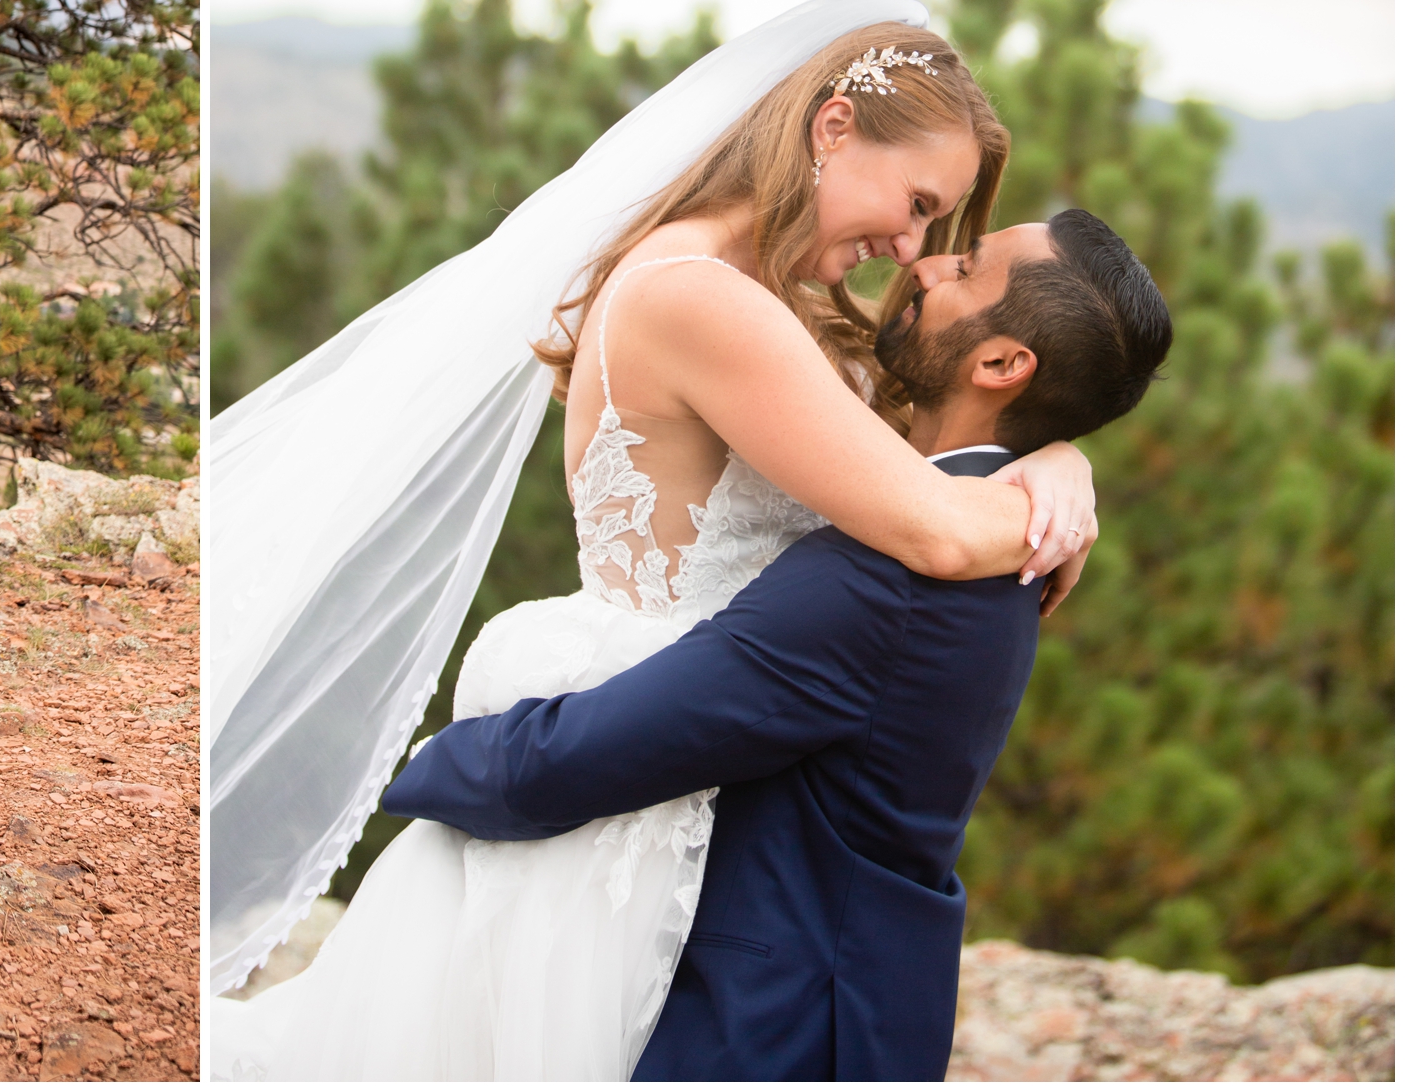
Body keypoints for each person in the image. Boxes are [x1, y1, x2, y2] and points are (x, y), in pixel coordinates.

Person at [207, 0, 1100, 1079]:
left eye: (937, 225)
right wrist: (1048, 476)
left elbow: (919, 466)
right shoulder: (697, 297)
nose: (910, 250)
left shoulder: (772, 296)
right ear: (831, 130)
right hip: (622, 784)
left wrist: (1052, 453)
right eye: (917, 203)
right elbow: (930, 526)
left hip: (699, 762)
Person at [382, 206, 1172, 1080]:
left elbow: (584, 756)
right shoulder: (988, 516)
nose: (931, 262)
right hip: (857, 999)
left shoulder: (884, 582)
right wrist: (1061, 453)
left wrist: (420, 769)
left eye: (968, 268)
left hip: (770, 1027)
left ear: (1000, 364)